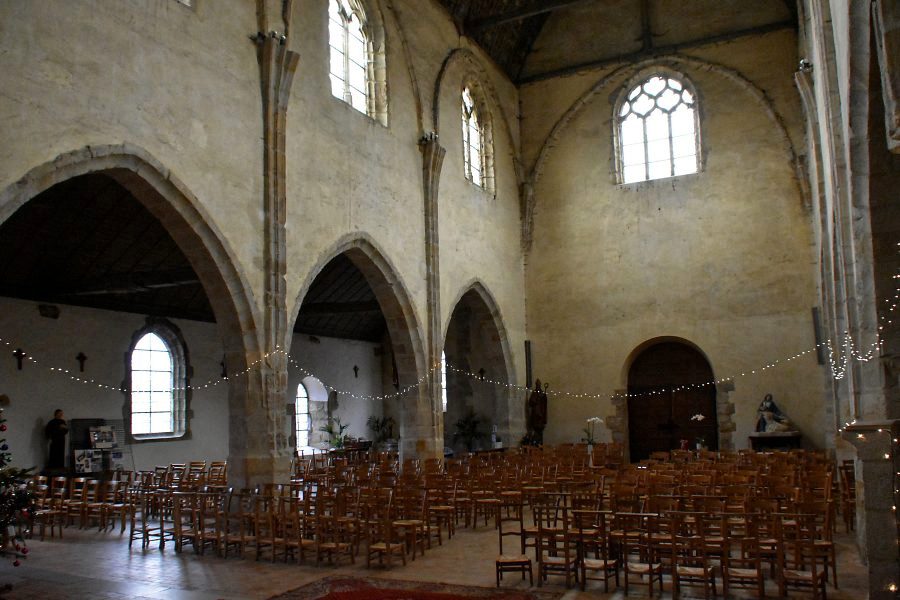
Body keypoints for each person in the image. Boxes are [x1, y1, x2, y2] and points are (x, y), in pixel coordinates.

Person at [526, 379, 549, 444]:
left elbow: (544, 403)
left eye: (539, 384)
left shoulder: (541, 392)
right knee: (536, 428)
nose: (538, 385)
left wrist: (544, 397)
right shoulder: (534, 393)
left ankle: (540, 443)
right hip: (535, 414)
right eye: (537, 384)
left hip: (541, 413)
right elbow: (531, 403)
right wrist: (536, 399)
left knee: (540, 429)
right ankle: (537, 442)